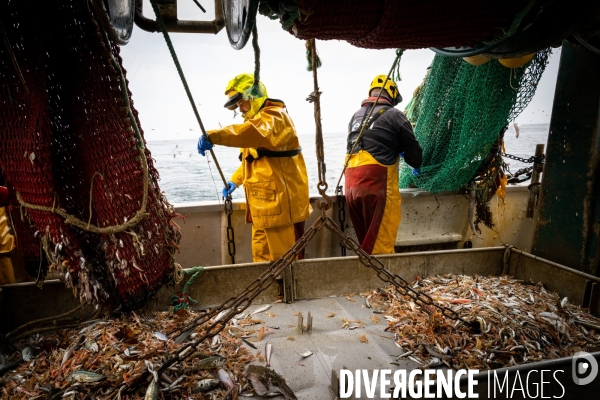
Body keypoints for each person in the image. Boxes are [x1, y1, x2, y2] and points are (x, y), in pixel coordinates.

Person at [197, 73, 311, 263]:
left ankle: (286, 294)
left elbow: (255, 133)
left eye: (242, 103)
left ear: (254, 96)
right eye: (238, 106)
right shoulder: (255, 123)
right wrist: (235, 180)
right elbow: (251, 160)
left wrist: (214, 136)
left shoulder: (275, 117)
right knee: (262, 262)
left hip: (281, 208)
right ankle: (270, 294)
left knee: (285, 264)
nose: (240, 109)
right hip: (262, 208)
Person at [345, 75, 423, 255]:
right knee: (380, 249)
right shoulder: (395, 114)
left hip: (351, 187)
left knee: (367, 244)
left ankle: (365, 281)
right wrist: (415, 165)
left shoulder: (355, 116)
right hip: (376, 185)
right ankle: (381, 283)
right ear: (392, 94)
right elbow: (413, 150)